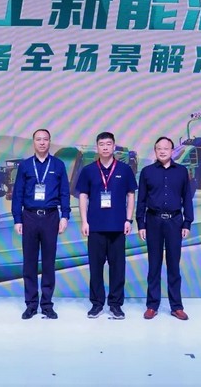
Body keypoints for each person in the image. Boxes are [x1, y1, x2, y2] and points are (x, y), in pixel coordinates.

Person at [77, 132, 137, 319]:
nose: (105, 147)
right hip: (95, 227)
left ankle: (115, 305)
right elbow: (83, 196)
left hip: (118, 227)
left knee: (118, 268)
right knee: (95, 268)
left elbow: (131, 195)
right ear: (97, 147)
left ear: (114, 146)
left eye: (108, 144)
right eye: (101, 144)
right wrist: (84, 221)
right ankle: (96, 304)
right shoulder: (88, 170)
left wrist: (128, 219)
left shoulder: (124, 169)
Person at [12, 129, 70, 320]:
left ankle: (46, 304)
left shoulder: (58, 165)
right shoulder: (26, 165)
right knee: (29, 263)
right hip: (29, 217)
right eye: (38, 139)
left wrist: (65, 216)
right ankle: (31, 304)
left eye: (45, 139)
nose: (42, 142)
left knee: (48, 262)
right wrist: (17, 219)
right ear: (33, 142)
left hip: (51, 217)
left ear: (50, 142)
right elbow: (18, 193)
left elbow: (64, 192)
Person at [136, 136, 194, 321]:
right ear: (155, 151)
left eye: (166, 148)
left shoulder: (182, 171)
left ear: (172, 151)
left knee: (173, 265)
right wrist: (141, 224)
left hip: (175, 222)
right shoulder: (147, 172)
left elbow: (187, 198)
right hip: (153, 221)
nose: (162, 151)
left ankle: (176, 307)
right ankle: (152, 306)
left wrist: (187, 222)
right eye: (159, 148)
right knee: (154, 265)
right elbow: (141, 200)